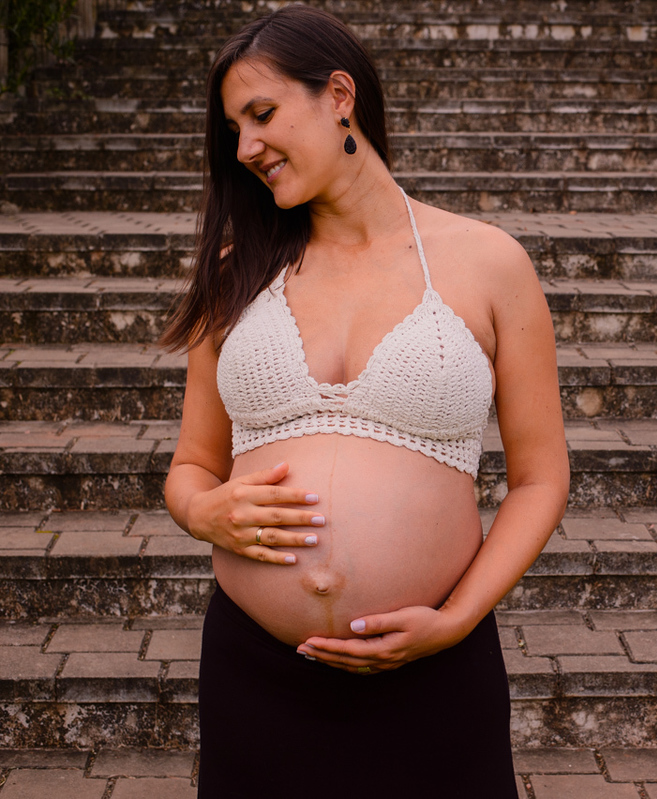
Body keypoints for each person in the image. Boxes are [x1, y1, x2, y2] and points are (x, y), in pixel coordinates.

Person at [158, 6, 570, 796]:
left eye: (263, 114)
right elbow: (192, 465)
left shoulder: (488, 263)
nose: (246, 148)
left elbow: (541, 478)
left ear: (339, 94)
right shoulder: (236, 269)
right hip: (257, 672)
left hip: (435, 672)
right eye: (234, 129)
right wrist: (200, 512)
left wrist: (455, 620)